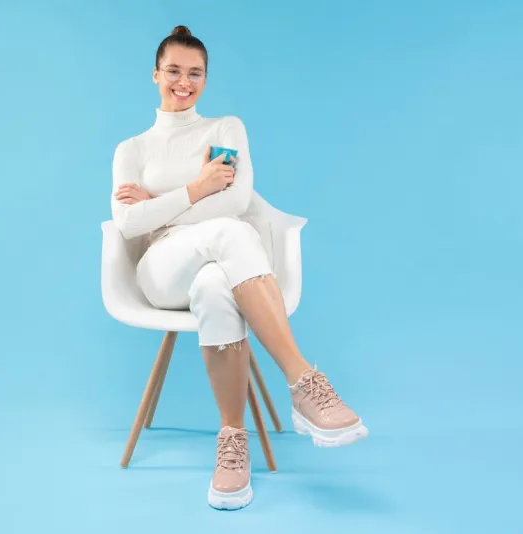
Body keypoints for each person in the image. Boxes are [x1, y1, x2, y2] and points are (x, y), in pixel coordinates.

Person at [110, 25, 368, 511]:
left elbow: (236, 200)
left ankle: (233, 441)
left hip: (216, 261)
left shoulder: (225, 129)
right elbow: (127, 224)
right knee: (231, 232)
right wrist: (197, 188)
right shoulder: (133, 150)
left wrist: (157, 204)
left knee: (215, 284)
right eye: (173, 71)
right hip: (161, 269)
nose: (183, 82)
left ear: (205, 79)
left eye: (195, 73)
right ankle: (304, 382)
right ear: (155, 75)